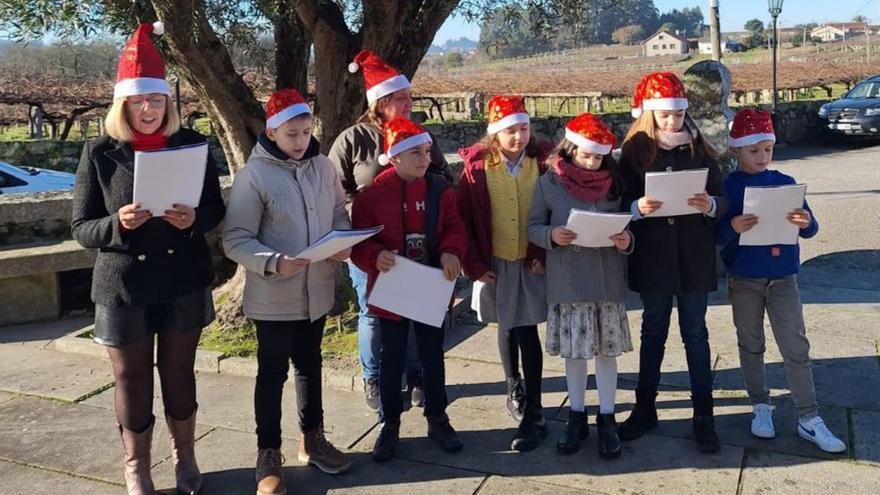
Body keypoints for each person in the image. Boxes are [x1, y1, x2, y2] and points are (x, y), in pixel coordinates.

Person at [70, 22, 224, 495]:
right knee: (131, 377)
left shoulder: (192, 143)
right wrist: (118, 224)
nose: (150, 109)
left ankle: (185, 457)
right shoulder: (99, 152)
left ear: (168, 103)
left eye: (157, 100)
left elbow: (215, 209)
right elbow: (81, 229)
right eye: (140, 101)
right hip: (124, 285)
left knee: (179, 372)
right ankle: (137, 468)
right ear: (124, 104)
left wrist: (192, 219)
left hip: (182, 277)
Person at [223, 89, 353, 495]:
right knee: (272, 373)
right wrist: (274, 261)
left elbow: (336, 213)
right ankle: (267, 454)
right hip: (273, 295)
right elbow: (235, 239)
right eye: (291, 134)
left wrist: (344, 241)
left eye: (305, 131)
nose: (300, 141)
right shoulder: (254, 176)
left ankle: (312, 439)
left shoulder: (322, 167)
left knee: (310, 366)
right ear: (272, 132)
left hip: (316, 289)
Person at [716, 108, 846, 454]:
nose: (762, 157)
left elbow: (811, 227)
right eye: (753, 150)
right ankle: (760, 404)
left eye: (768, 149)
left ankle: (809, 415)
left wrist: (806, 221)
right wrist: (732, 227)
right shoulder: (728, 187)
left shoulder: (786, 183)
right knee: (751, 344)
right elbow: (714, 236)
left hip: (784, 278)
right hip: (744, 279)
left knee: (796, 347)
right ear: (736, 151)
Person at [328, 50, 450, 411]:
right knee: (372, 311)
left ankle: (415, 377)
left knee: (414, 312)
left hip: (415, 244)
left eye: (410, 96)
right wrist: (365, 211)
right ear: (380, 103)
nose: (409, 103)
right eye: (401, 98)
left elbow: (442, 177)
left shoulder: (421, 135)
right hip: (370, 245)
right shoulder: (352, 140)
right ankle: (375, 377)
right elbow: (336, 191)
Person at [617, 72, 724, 453]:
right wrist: (636, 209)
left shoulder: (701, 150)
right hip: (655, 258)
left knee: (696, 335)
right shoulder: (633, 152)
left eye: (677, 115)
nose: (671, 122)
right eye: (663, 116)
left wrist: (710, 205)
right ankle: (645, 408)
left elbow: (722, 197)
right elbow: (619, 202)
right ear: (648, 114)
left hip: (693, 258)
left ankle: (703, 415)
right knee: (653, 332)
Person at [350, 117, 467, 463]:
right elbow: (359, 244)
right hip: (392, 292)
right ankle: (390, 423)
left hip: (430, 286)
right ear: (394, 156)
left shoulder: (439, 190)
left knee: (433, 355)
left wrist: (451, 252)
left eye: (428, 150)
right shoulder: (371, 197)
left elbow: (454, 227)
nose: (425, 158)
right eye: (415, 152)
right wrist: (375, 256)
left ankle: (438, 416)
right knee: (392, 359)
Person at [527, 113, 634, 459]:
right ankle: (576, 417)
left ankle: (607, 418)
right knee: (574, 354)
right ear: (571, 149)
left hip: (606, 281)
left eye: (599, 156)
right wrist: (551, 236)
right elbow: (532, 227)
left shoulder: (614, 182)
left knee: (606, 352)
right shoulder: (549, 183)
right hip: (569, 282)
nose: (593, 162)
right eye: (587, 155)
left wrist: (625, 240)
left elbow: (629, 228)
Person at [456, 95, 551, 452]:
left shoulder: (540, 163)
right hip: (496, 261)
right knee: (506, 324)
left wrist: (542, 252)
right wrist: (474, 265)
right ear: (495, 134)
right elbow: (464, 219)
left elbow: (550, 210)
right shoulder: (478, 169)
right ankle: (514, 384)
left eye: (523, 128)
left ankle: (536, 407)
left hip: (530, 259)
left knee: (527, 328)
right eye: (510, 130)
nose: (518, 137)